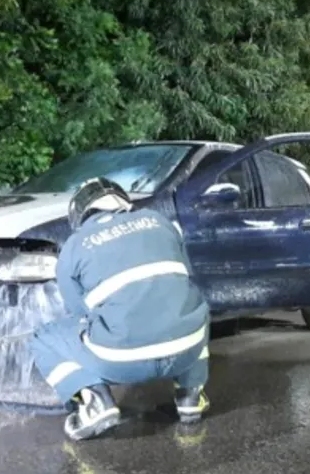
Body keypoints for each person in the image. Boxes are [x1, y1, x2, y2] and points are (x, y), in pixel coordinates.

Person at [29, 177, 211, 441]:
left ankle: (94, 401)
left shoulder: (74, 246)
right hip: (186, 351)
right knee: (191, 307)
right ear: (123, 202)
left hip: (121, 363)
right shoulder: (161, 222)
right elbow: (186, 280)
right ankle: (191, 395)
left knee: (44, 338)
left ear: (81, 215)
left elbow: (80, 315)